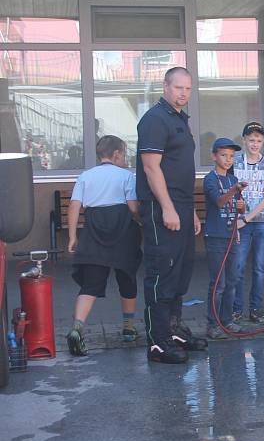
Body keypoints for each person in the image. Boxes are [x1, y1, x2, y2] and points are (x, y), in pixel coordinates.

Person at [136, 66, 204, 364]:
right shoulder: (154, 120)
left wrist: (189, 211)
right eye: (178, 88)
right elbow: (152, 168)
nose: (183, 94)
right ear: (166, 86)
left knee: (180, 272)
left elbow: (180, 169)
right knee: (162, 272)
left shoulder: (179, 119)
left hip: (182, 206)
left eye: (188, 89)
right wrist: (166, 207)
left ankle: (174, 330)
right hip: (161, 207)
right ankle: (157, 342)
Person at [65, 135, 141, 356]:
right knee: (126, 277)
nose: (125, 159)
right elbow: (133, 207)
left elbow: (74, 206)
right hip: (123, 230)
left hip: (93, 229)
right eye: (124, 154)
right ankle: (128, 328)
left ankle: (77, 328)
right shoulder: (127, 176)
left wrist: (72, 236)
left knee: (90, 284)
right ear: (117, 154)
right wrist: (142, 221)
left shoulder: (86, 176)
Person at [203, 138, 247, 339]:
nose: (228, 159)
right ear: (214, 156)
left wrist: (242, 206)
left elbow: (240, 205)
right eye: (224, 155)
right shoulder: (211, 179)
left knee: (232, 280)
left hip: (232, 235)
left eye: (231, 156)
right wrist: (234, 191)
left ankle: (227, 320)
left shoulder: (232, 179)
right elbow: (220, 202)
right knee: (218, 282)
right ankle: (213, 324)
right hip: (216, 236)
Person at [232, 122, 264, 324]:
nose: (254, 144)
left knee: (259, 267)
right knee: (238, 266)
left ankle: (255, 309)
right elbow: (231, 192)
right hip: (240, 222)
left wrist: (246, 219)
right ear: (244, 141)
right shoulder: (235, 162)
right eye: (251, 140)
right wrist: (238, 217)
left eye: (258, 140)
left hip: (260, 222)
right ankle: (236, 308)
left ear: (263, 142)